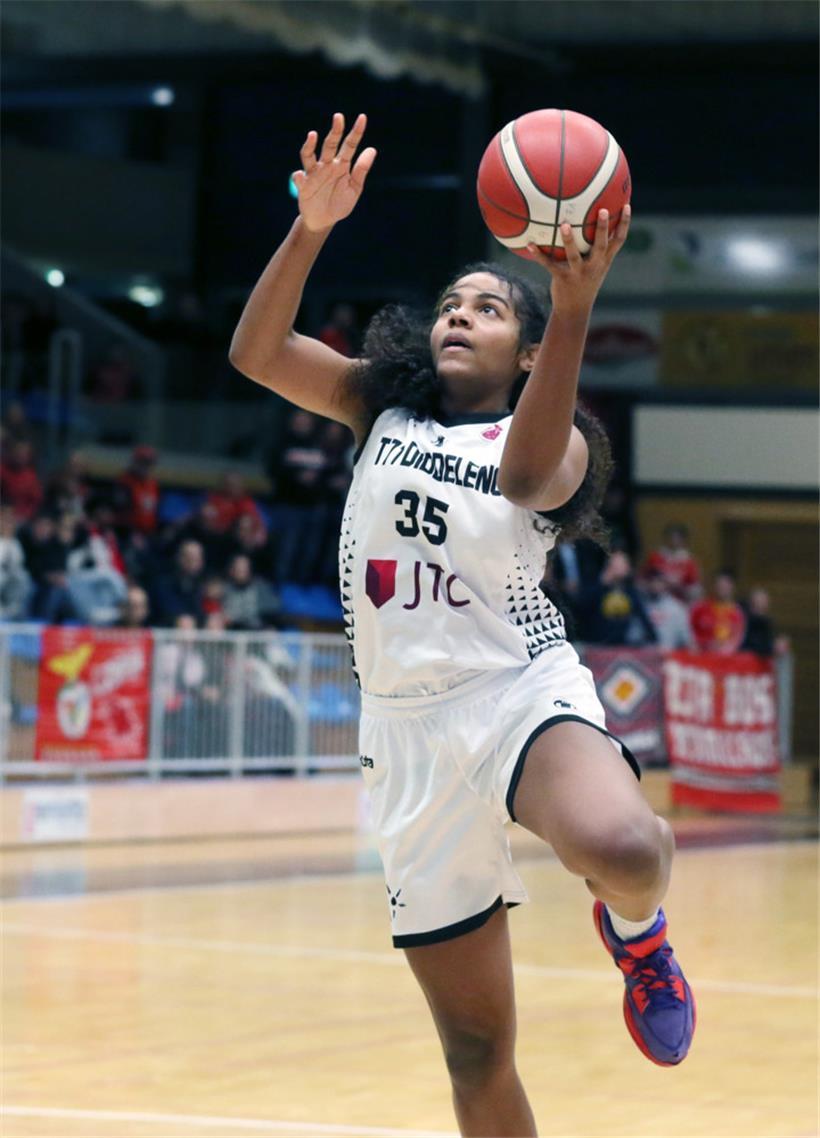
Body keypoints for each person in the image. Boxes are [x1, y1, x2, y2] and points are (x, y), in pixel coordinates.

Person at [229, 113, 695, 1134]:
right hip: (405, 736)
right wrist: (309, 231)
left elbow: (528, 477)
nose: (458, 315)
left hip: (515, 690)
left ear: (525, 351)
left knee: (625, 845)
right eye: (450, 303)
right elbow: (256, 350)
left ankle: (638, 935)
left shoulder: (555, 433)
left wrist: (573, 305)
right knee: (477, 1051)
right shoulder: (378, 411)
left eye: (487, 309)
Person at [579, 550, 658, 647]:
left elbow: (642, 616)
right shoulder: (596, 587)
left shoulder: (630, 592)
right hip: (597, 645)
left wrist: (654, 639)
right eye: (616, 565)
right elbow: (581, 608)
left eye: (623, 564)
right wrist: (602, 583)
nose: (622, 568)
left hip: (622, 645)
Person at [690, 569, 746, 654]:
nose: (722, 589)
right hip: (701, 657)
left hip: (723, 661)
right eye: (720, 585)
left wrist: (723, 650)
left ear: (732, 587)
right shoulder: (699, 608)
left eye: (725, 586)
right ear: (714, 586)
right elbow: (689, 634)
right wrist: (704, 644)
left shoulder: (737, 614)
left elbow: (736, 639)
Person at [642, 523, 702, 603]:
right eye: (671, 536)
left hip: (681, 602)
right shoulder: (655, 558)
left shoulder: (689, 562)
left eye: (677, 537)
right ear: (666, 538)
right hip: (657, 601)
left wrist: (680, 586)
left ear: (683, 540)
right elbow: (643, 580)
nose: (674, 540)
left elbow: (695, 589)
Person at [639, 567, 696, 650]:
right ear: (646, 583)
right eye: (651, 581)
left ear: (665, 584)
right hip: (645, 658)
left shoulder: (676, 608)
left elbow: (687, 640)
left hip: (669, 658)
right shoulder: (641, 606)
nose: (655, 585)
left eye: (658, 581)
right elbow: (632, 637)